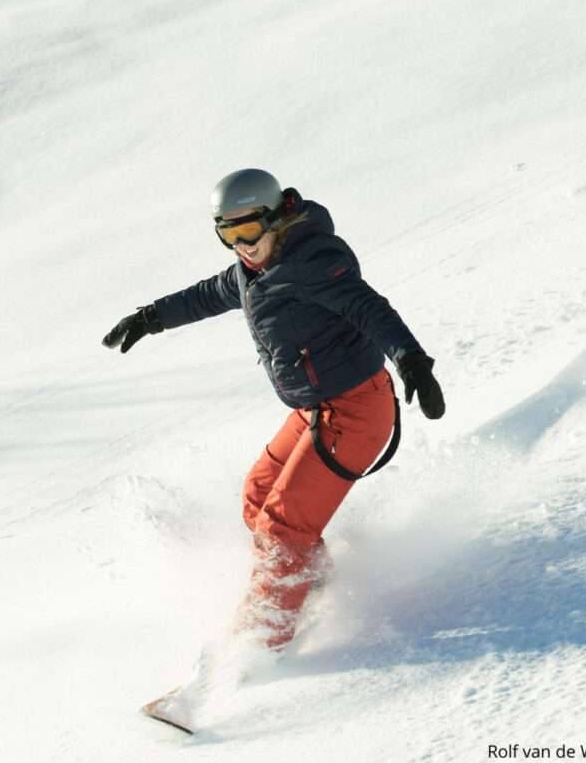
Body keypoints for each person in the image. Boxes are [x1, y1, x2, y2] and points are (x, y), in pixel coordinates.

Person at [103, 168, 445, 651]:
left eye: (247, 230)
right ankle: (311, 581)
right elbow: (204, 295)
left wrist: (411, 359)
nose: (241, 245)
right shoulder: (251, 271)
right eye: (227, 233)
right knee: (258, 495)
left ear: (277, 216)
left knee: (281, 526)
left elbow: (370, 309)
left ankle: (256, 645)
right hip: (315, 409)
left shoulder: (312, 261)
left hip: (356, 409)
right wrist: (150, 317)